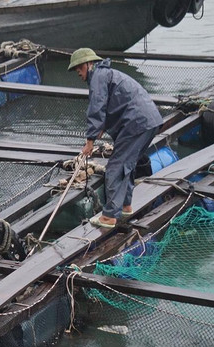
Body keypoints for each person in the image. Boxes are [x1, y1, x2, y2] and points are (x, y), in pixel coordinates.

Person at [68, 48, 164, 229]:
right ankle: (126, 206)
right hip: (149, 121)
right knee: (127, 164)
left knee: (115, 167)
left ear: (88, 65)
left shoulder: (97, 77)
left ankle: (109, 216)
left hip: (137, 123)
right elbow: (113, 102)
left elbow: (96, 107)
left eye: (79, 69)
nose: (79, 74)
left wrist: (89, 141)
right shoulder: (106, 74)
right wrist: (102, 127)